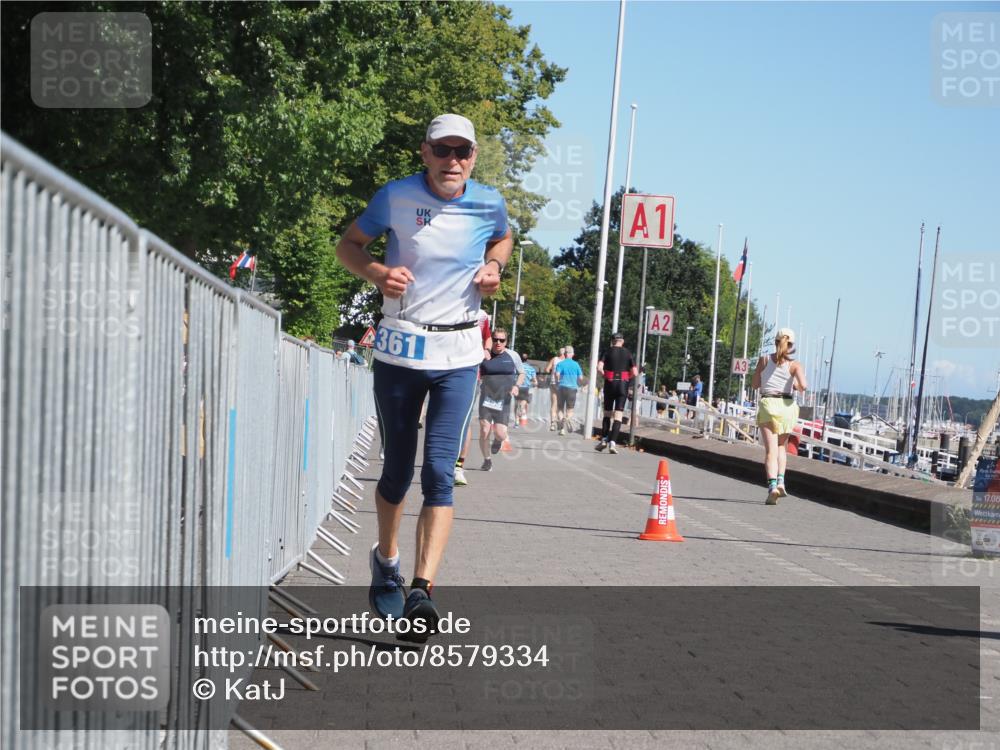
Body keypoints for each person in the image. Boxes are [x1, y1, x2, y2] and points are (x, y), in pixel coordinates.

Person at [335, 113, 511, 640]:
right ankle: (386, 561)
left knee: (438, 472)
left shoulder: (489, 202)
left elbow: (502, 238)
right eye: (443, 150)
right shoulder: (395, 196)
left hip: (458, 352)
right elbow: (348, 246)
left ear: (473, 157)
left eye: (463, 151)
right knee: (396, 471)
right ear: (425, 153)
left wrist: (495, 268)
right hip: (401, 348)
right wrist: (377, 273)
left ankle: (421, 591)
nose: (452, 161)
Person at [751, 328, 807, 505]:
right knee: (781, 447)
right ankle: (781, 481)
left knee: (771, 451)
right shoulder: (795, 365)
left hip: (769, 404)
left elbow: (755, 384)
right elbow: (803, 386)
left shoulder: (764, 360)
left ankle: (772, 486)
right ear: (791, 345)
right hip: (787, 407)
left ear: (775, 342)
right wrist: (795, 384)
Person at [454, 309, 493, 486]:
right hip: (442, 369)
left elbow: (488, 337)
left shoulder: (482, 315)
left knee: (465, 420)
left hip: (471, 374)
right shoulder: (446, 307)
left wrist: (486, 349)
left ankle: (458, 466)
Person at [477, 328, 523, 471]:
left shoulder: (512, 355)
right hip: (486, 398)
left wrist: (516, 386)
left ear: (506, 342)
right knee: (484, 430)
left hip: (504, 400)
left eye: (501, 340)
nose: (498, 342)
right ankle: (487, 460)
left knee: (501, 433)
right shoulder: (484, 355)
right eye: (495, 339)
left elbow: (521, 373)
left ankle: (498, 440)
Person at [595, 332, 637, 454]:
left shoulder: (606, 351)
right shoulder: (628, 353)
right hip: (623, 385)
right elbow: (635, 372)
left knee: (607, 413)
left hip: (610, 383)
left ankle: (604, 439)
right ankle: (613, 443)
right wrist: (627, 378)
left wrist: (605, 375)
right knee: (618, 415)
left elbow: (599, 368)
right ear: (622, 341)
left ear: (612, 341)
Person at [554, 345, 584, 435]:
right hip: (572, 388)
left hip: (561, 387)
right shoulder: (576, 364)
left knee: (560, 408)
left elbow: (557, 374)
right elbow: (581, 378)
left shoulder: (560, 364)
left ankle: (562, 429)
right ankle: (567, 419)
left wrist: (558, 381)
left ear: (565, 354)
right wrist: (578, 382)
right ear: (572, 354)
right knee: (570, 409)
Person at [544, 347, 566, 431]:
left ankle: (552, 423)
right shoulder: (566, 361)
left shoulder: (554, 359)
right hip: (563, 384)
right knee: (561, 405)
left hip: (553, 383)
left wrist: (551, 373)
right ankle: (561, 424)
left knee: (554, 403)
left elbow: (547, 369)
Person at [514, 353, 537, 426]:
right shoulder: (531, 368)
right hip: (526, 387)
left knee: (516, 403)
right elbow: (534, 380)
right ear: (527, 359)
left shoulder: (516, 367)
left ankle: (516, 420)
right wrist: (534, 384)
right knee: (524, 401)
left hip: (517, 386)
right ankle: (522, 408)